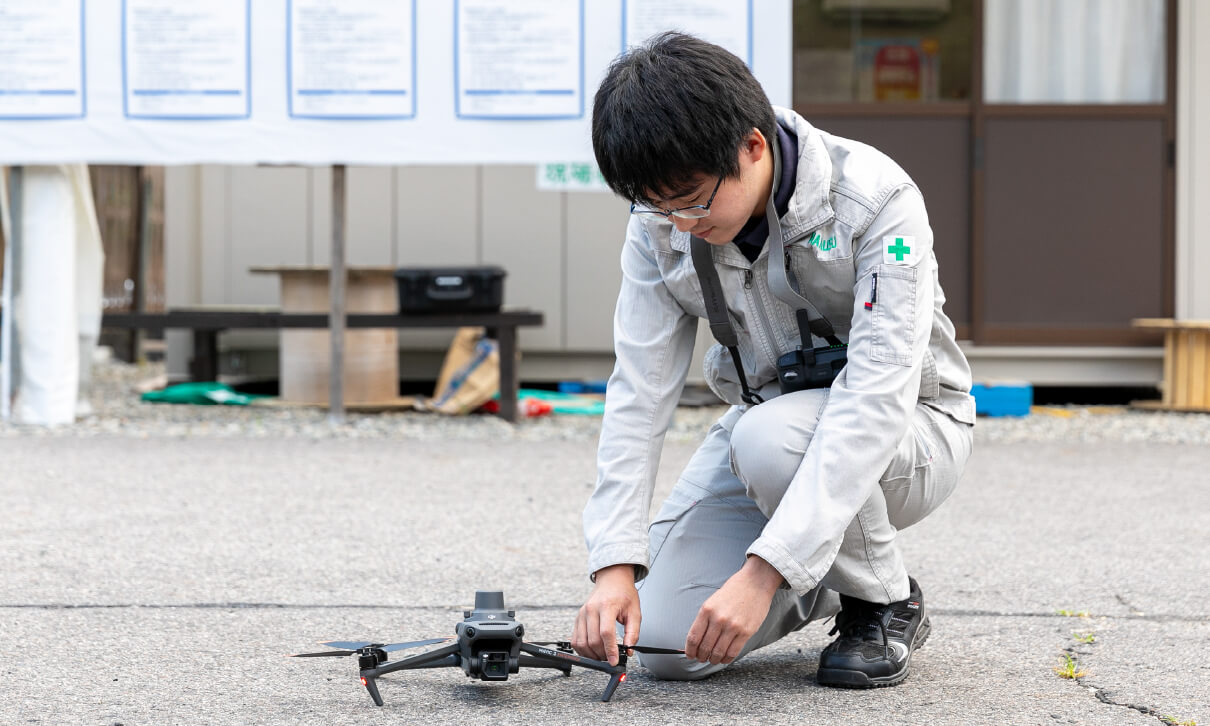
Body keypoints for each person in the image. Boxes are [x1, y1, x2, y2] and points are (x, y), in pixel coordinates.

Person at [570, 32, 975, 689]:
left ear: (752, 146)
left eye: (693, 199)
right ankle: (822, 562)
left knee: (768, 440)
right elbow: (638, 393)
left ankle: (881, 601)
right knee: (669, 648)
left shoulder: (875, 202)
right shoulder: (662, 225)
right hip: (769, 435)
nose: (679, 224)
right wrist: (613, 563)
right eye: (657, 204)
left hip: (913, 435)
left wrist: (763, 575)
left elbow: (877, 399)